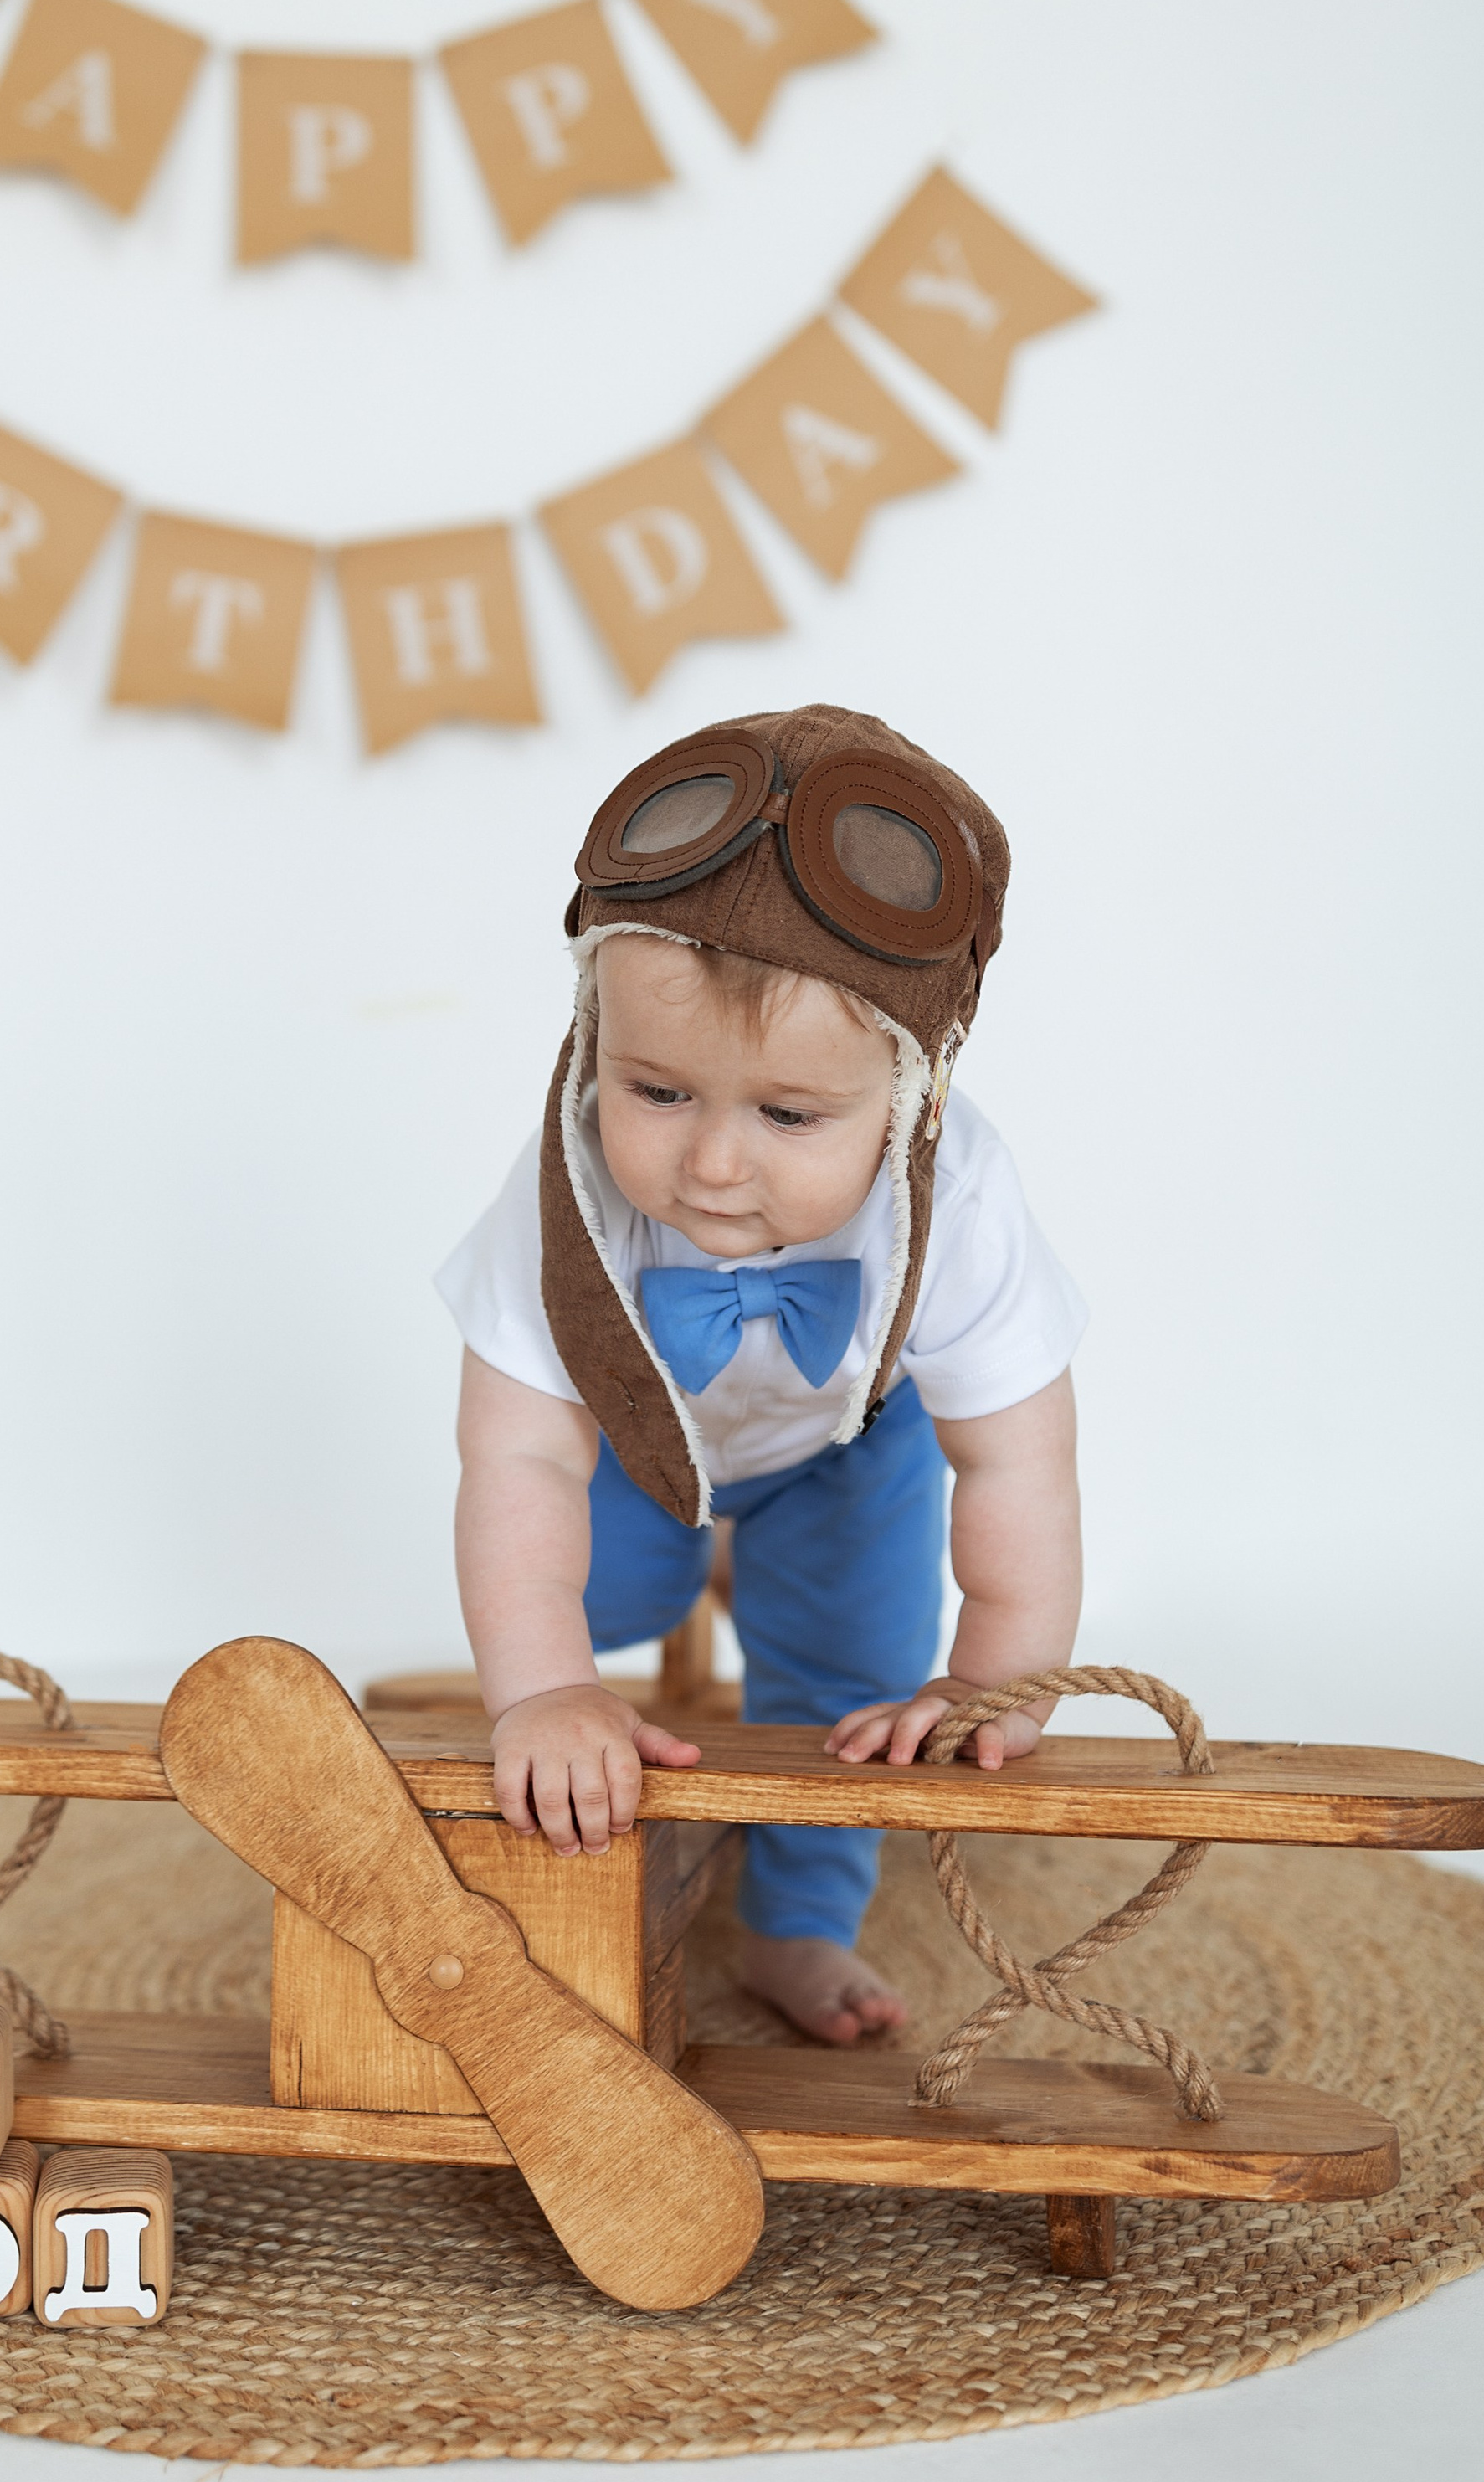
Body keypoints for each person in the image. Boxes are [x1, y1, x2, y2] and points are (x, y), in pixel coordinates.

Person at [434, 703, 1086, 2045]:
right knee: (586, 1596)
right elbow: (516, 1454)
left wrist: (995, 1677)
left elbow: (1015, 1454)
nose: (714, 1166)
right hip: (623, 1428)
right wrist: (547, 1689)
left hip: (847, 1447)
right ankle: (687, 1569)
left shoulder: (952, 1204)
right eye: (657, 1092)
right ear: (591, 1049)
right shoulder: (564, 1191)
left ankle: (795, 1930)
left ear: (911, 1093)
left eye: (789, 1116)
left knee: (853, 1686)